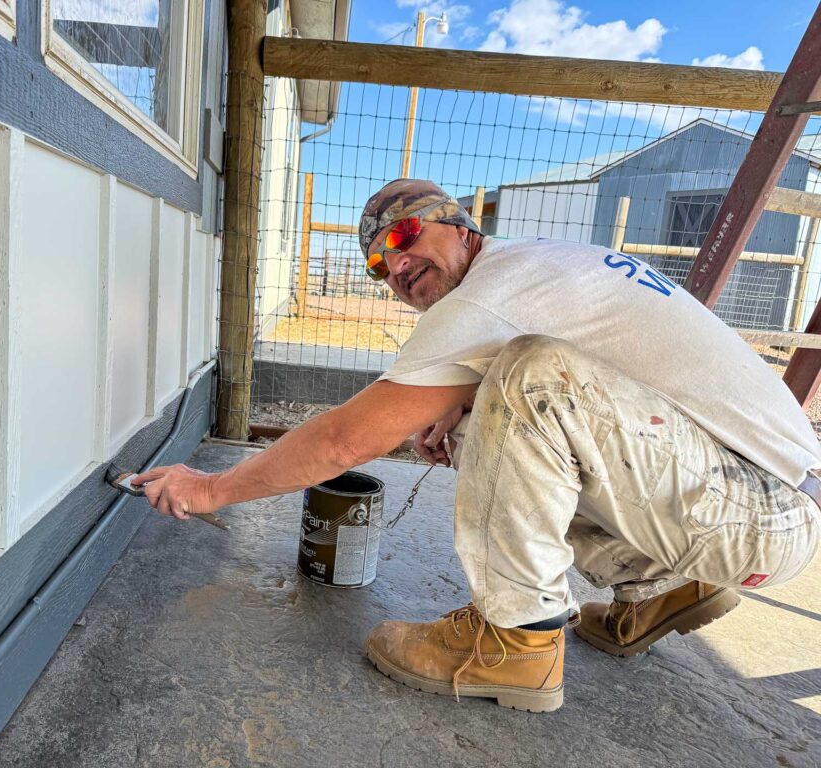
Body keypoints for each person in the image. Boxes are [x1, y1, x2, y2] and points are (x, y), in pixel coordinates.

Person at [131, 178, 821, 713]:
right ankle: (665, 586)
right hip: (754, 507)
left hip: (757, 513)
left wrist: (212, 487)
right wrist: (464, 405)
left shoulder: (489, 293)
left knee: (529, 374)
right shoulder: (533, 269)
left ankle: (516, 642)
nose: (394, 264)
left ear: (460, 224)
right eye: (378, 264)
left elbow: (344, 439)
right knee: (479, 408)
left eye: (404, 236)